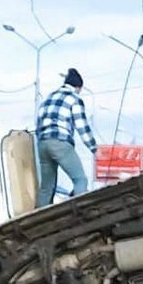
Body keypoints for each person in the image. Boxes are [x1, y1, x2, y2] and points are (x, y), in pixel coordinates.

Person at [35, 67, 97, 208]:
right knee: (80, 180)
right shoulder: (73, 99)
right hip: (60, 143)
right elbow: (82, 127)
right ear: (78, 87)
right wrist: (93, 148)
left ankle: (37, 222)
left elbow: (38, 124)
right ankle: (81, 215)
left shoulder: (48, 99)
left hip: (43, 144)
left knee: (46, 188)